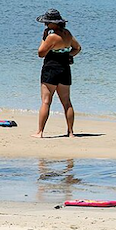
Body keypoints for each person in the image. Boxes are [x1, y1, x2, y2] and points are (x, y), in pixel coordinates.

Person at [34, 8, 81, 138]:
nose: (45, 24)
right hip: (65, 69)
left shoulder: (52, 36)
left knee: (46, 101)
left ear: (53, 23)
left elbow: (41, 53)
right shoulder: (67, 34)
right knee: (66, 102)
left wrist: (44, 38)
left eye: (47, 22)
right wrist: (68, 56)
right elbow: (77, 48)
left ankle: (40, 132)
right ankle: (70, 132)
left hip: (51, 69)